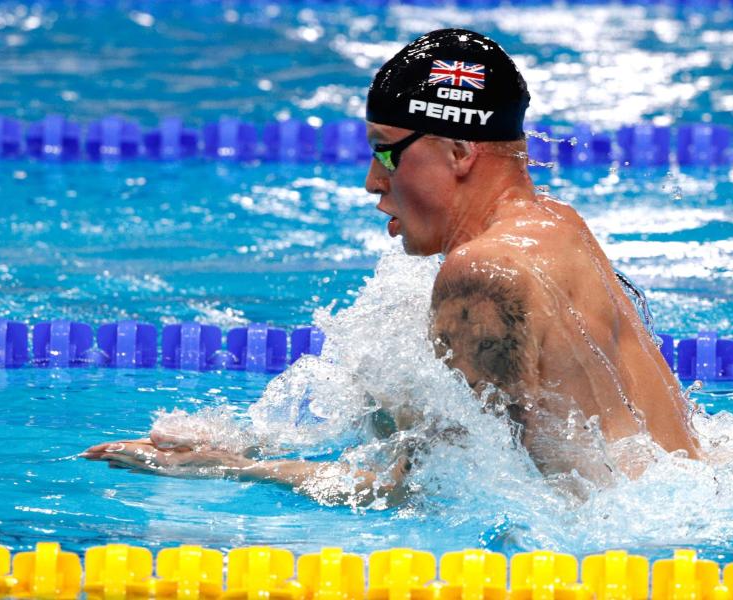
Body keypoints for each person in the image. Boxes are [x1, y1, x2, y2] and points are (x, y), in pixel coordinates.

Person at [83, 28, 698, 504]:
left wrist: (228, 468)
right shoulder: (558, 226)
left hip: (621, 556)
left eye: (386, 151)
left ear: (458, 151)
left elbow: (426, 496)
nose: (372, 181)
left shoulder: (481, 276)